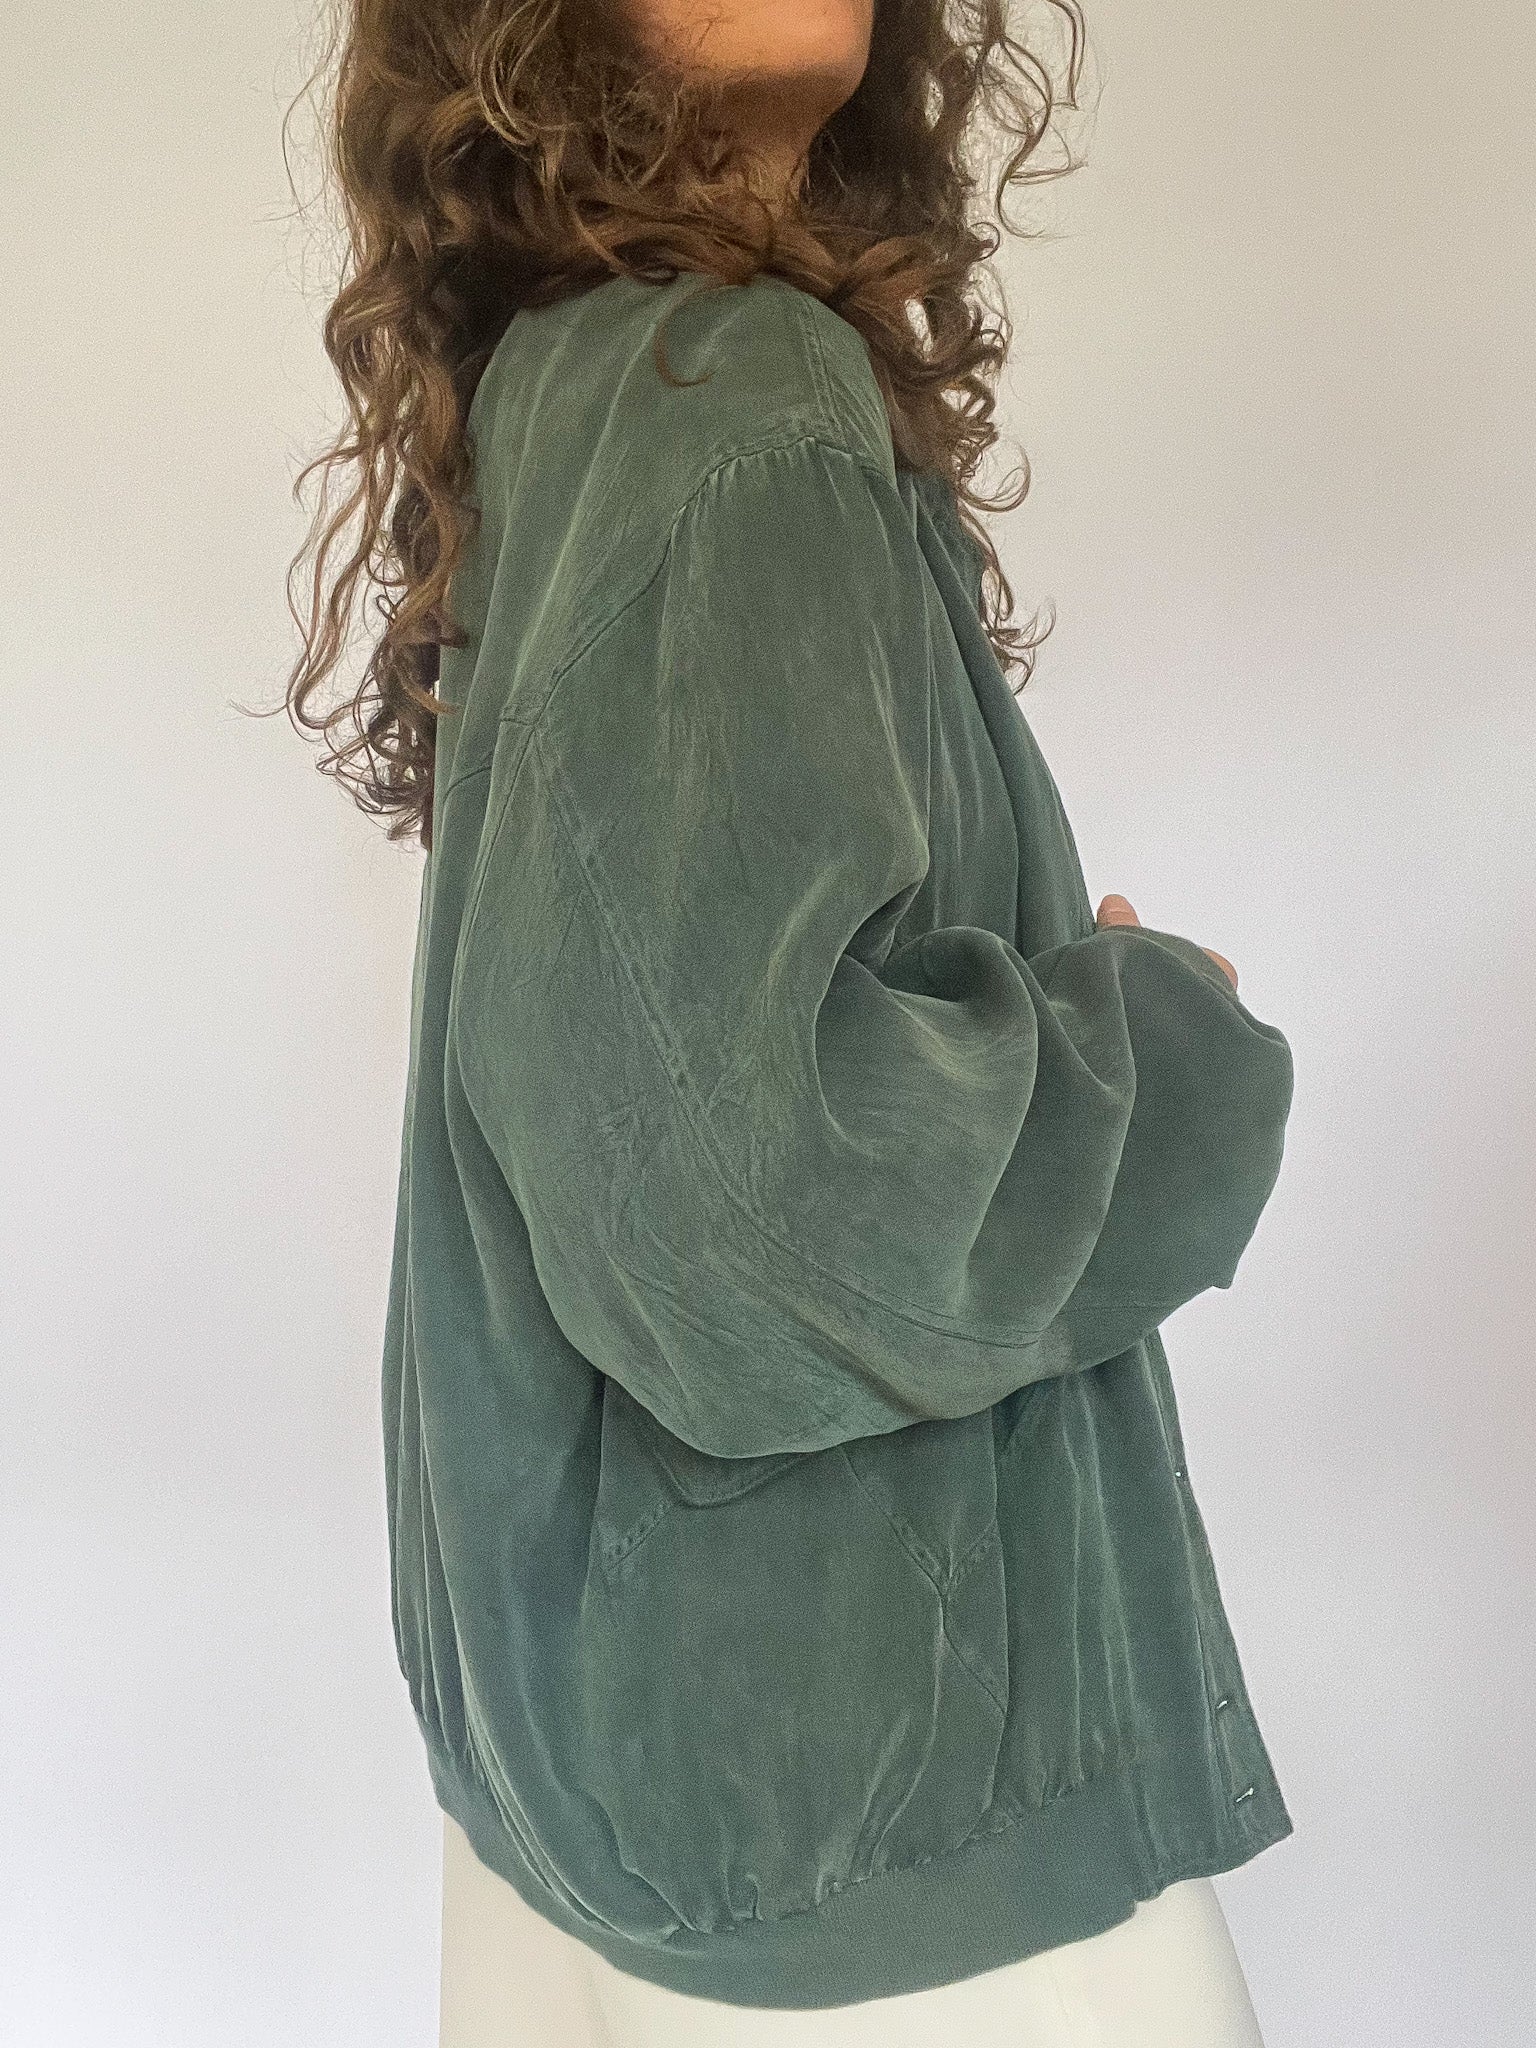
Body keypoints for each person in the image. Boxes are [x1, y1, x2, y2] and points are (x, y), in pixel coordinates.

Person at [285, 2, 1296, 2040]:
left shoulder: (570, 384)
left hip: (610, 1777)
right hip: (873, 1816)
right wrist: (1166, 1054)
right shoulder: (721, 383)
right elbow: (745, 1211)